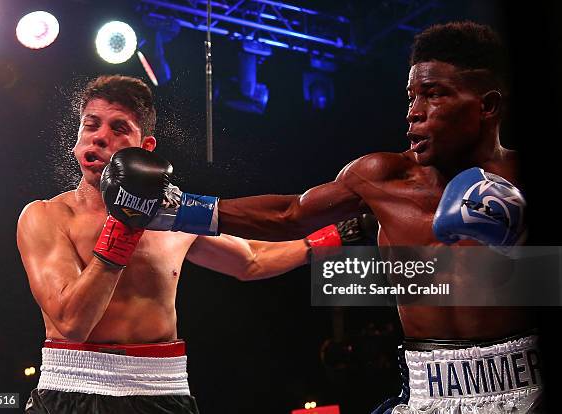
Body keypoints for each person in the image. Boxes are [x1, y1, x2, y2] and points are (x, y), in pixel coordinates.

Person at [112, 22, 542, 413]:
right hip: (427, 391)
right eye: (411, 96)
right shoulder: (382, 177)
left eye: (434, 94)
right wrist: (174, 209)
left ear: (487, 107)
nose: (414, 110)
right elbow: (290, 213)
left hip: (528, 384)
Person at [16, 75, 371, 414]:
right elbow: (72, 323)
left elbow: (250, 260)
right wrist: (125, 225)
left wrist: (335, 236)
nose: (99, 137)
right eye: (91, 125)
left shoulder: (174, 212)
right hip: (76, 386)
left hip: (162, 388)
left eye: (118, 128)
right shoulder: (45, 217)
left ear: (146, 148)